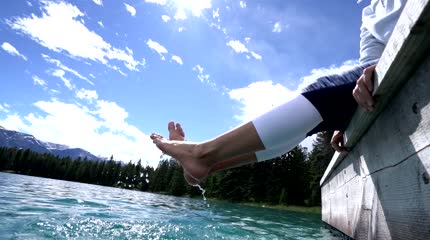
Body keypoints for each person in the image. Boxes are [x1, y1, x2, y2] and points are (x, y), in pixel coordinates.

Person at [151, 0, 407, 186]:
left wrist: (377, 67)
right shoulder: (371, 12)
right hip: (386, 79)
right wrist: (349, 114)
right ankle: (209, 165)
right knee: (299, 130)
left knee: (318, 88)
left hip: (422, 52)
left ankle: (202, 154)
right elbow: (369, 65)